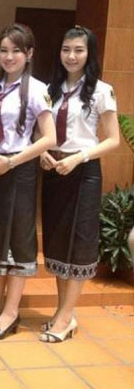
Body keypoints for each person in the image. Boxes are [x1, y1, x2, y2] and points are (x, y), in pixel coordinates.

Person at [39, 25, 119, 342]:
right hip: (54, 169)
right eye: (66, 49)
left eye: (79, 50)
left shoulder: (102, 90)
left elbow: (113, 140)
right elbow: (40, 131)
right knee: (59, 242)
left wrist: (79, 158)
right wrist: (43, 151)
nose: (71, 56)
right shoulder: (51, 89)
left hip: (83, 171)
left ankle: (67, 315)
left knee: (79, 242)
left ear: (89, 54)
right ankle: (62, 312)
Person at [0, 23, 56, 340]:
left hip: (19, 169)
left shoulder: (37, 89)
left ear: (29, 54)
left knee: (18, 240)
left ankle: (11, 312)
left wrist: (12, 161)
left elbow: (49, 138)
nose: (9, 57)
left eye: (16, 51)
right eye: (4, 50)